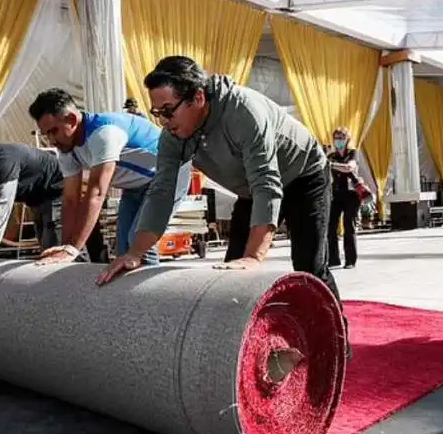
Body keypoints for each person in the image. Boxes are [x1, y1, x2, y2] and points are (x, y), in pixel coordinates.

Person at [94, 56, 349, 356]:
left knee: (309, 264)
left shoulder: (243, 112)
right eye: (157, 113)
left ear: (198, 97)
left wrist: (255, 256)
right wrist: (135, 252)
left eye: (167, 111)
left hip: (304, 177)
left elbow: (267, 182)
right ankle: (241, 352)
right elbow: (161, 191)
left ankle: (335, 343)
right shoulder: (175, 134)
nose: (163, 121)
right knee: (230, 271)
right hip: (251, 188)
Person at [28, 88, 191, 266]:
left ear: (72, 119)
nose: (51, 140)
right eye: (46, 134)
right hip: (136, 186)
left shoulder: (104, 133)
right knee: (123, 251)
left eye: (54, 131)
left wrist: (73, 249)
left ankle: (150, 293)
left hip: (170, 175)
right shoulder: (66, 148)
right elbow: (70, 201)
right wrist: (65, 248)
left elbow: (96, 194)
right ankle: (129, 292)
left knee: (138, 245)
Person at [327, 127, 362, 269]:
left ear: (347, 139)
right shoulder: (331, 156)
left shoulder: (353, 153)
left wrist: (332, 165)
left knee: (349, 226)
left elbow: (349, 167)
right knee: (330, 227)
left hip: (351, 195)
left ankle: (350, 260)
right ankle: (333, 259)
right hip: (335, 195)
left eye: (341, 137)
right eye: (336, 138)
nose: (338, 141)